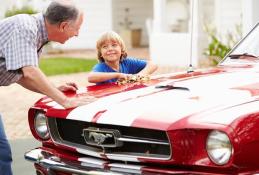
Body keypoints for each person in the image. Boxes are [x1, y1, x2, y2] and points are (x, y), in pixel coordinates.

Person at [0, 1, 90, 174]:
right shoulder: (25, 27)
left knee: (1, 152)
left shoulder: (37, 35)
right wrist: (64, 100)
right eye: (77, 28)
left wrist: (55, 88)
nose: (77, 34)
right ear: (64, 26)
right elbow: (29, 72)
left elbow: (20, 75)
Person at [88, 31, 158, 84]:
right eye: (105, 47)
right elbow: (90, 78)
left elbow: (153, 64)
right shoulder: (101, 67)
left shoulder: (127, 62)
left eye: (114, 45)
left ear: (121, 50)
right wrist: (118, 75)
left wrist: (138, 76)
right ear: (101, 54)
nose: (110, 49)